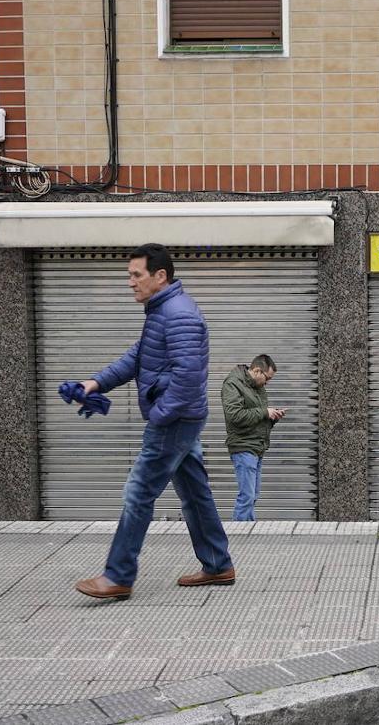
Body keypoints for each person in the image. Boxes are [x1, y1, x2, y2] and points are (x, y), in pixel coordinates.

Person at [74, 244, 235, 599]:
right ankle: (218, 564)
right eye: (129, 275)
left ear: (160, 276)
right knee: (194, 492)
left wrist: (159, 417)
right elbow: (137, 358)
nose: (130, 283)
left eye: (136, 275)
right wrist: (95, 383)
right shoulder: (161, 313)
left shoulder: (179, 315)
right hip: (181, 418)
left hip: (175, 420)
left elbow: (188, 378)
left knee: (138, 492)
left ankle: (118, 575)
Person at [222, 354, 285, 521]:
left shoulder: (257, 388)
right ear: (257, 371)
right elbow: (234, 416)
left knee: (252, 496)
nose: (267, 383)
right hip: (243, 447)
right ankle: (239, 534)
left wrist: (272, 418)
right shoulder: (233, 384)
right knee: (247, 497)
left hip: (257, 447)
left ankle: (248, 533)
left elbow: (255, 418)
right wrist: (265, 412)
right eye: (267, 378)